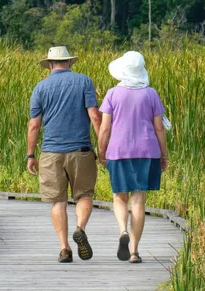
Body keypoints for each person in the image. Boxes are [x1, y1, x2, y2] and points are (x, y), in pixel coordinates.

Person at [27, 46, 102, 263]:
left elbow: (34, 125)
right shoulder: (84, 81)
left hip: (51, 152)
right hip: (81, 150)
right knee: (84, 194)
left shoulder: (40, 88)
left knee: (57, 201)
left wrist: (30, 155)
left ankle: (64, 248)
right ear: (69, 62)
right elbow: (95, 116)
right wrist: (104, 146)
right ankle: (80, 228)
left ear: (50, 64)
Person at [97, 51, 169, 264]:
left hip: (118, 151)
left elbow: (105, 128)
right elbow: (159, 129)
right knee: (138, 200)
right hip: (147, 151)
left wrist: (101, 151)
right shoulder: (151, 94)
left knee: (119, 196)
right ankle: (135, 251)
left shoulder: (112, 94)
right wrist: (163, 155)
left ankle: (122, 231)